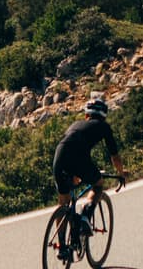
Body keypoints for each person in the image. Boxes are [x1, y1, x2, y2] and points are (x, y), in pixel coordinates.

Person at [52, 93, 129, 242]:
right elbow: (114, 156)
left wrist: (74, 173)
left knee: (63, 200)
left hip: (59, 156)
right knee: (98, 184)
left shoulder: (74, 125)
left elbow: (70, 147)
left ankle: (61, 245)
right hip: (78, 157)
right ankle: (85, 217)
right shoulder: (104, 127)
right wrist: (121, 172)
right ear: (103, 116)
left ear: (87, 115)